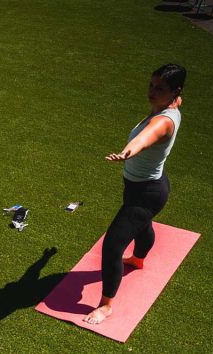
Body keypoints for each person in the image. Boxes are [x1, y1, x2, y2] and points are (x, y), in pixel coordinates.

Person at [84, 64, 186, 325]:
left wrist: (128, 151)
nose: (152, 92)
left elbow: (145, 138)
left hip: (147, 193)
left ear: (175, 92)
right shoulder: (171, 106)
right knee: (141, 225)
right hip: (144, 188)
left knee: (113, 243)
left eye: (160, 88)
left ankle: (106, 305)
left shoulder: (163, 122)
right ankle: (139, 259)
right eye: (151, 85)